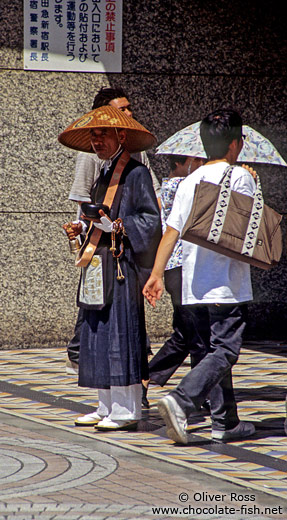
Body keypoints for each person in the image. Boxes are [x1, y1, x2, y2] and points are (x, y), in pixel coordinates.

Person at [143, 108, 256, 444]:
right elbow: (248, 227)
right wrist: (253, 181)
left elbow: (171, 232)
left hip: (193, 282)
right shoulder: (240, 177)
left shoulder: (190, 180)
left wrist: (157, 273)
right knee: (226, 351)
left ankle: (225, 422)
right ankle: (182, 399)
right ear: (236, 144)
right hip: (226, 283)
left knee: (211, 352)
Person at [61, 105, 161, 431]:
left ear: (121, 135)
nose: (97, 141)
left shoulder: (137, 173)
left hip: (121, 266)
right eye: (93, 135)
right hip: (98, 265)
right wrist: (82, 229)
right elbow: (96, 219)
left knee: (120, 334)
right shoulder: (103, 174)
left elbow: (150, 220)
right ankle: (104, 404)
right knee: (97, 335)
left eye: (102, 134)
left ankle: (126, 408)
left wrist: (118, 226)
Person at [142, 155, 208, 406]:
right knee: (197, 334)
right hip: (180, 268)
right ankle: (197, 393)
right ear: (183, 162)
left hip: (179, 269)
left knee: (187, 334)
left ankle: (146, 380)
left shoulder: (180, 184)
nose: (201, 164)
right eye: (197, 160)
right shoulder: (179, 185)